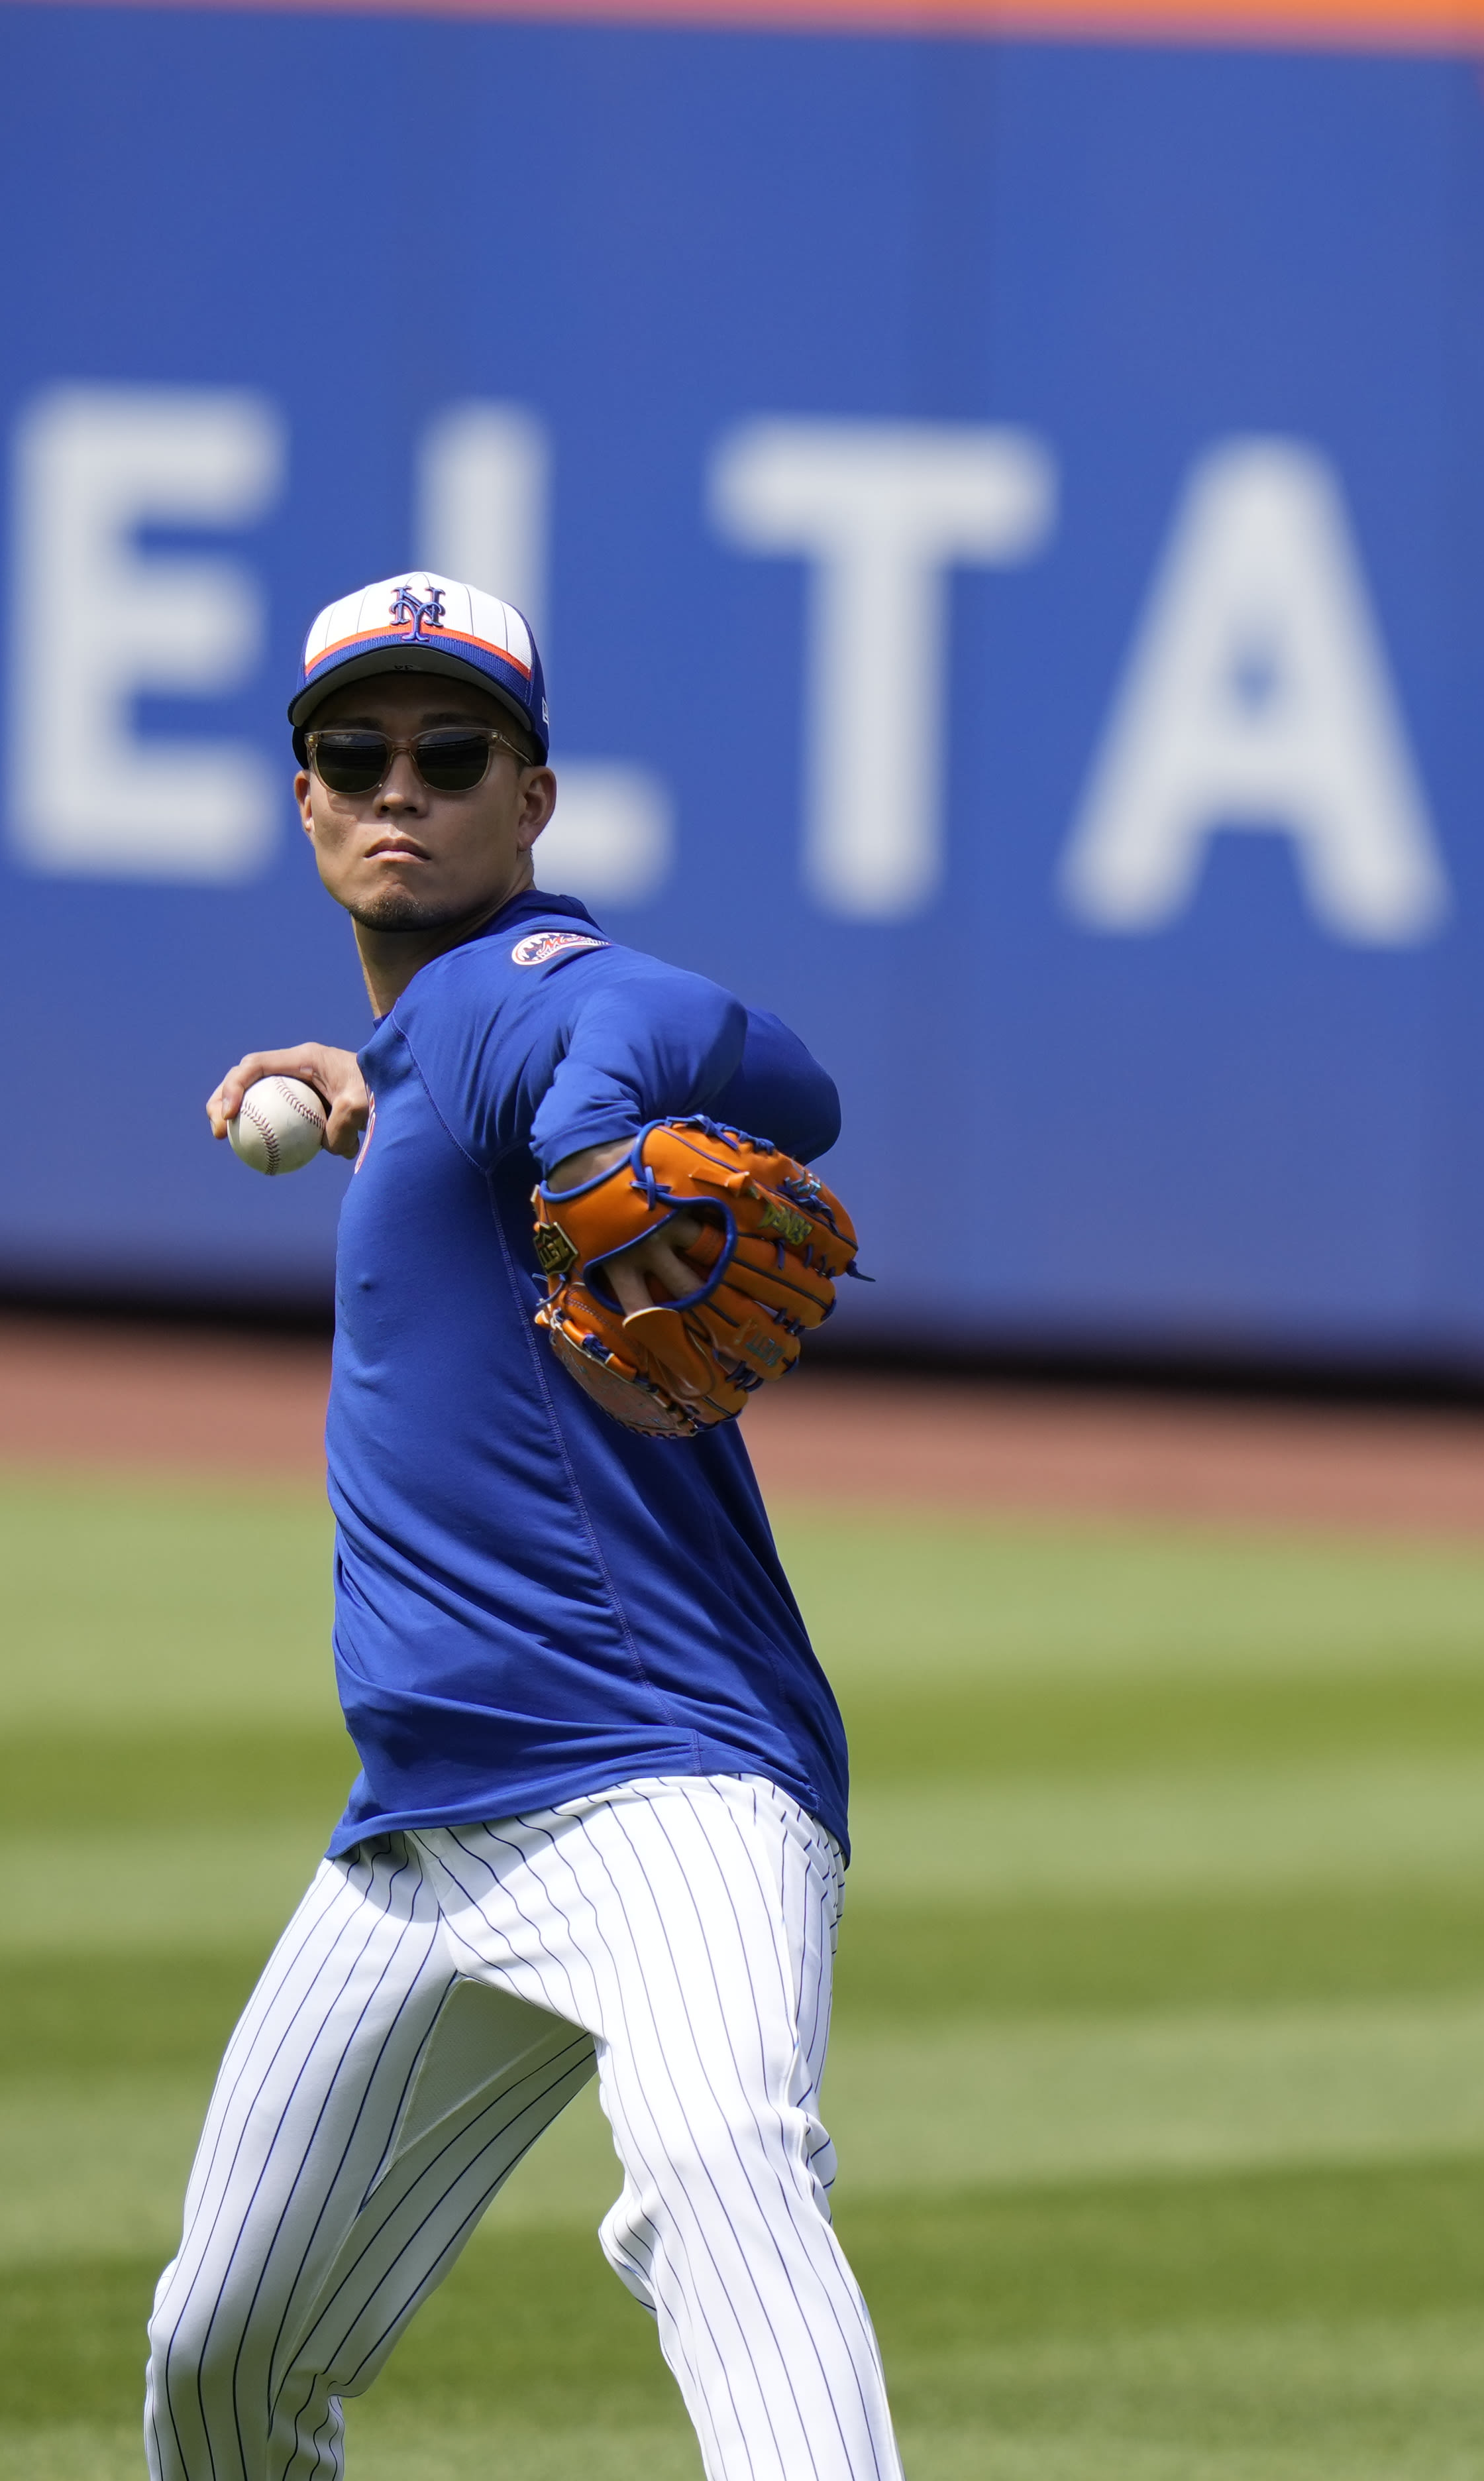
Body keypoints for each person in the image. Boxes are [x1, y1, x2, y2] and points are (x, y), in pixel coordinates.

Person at [157, 572, 898, 2481]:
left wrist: (590, 1127)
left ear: (534, 800)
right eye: (354, 754)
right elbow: (471, 1080)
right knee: (221, 2357)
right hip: (415, 1842)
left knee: (721, 2162)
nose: (401, 787)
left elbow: (697, 1036)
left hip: (667, 1785)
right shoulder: (421, 1066)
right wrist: (372, 1097)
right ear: (305, 800)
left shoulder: (528, 996)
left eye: (453, 753)